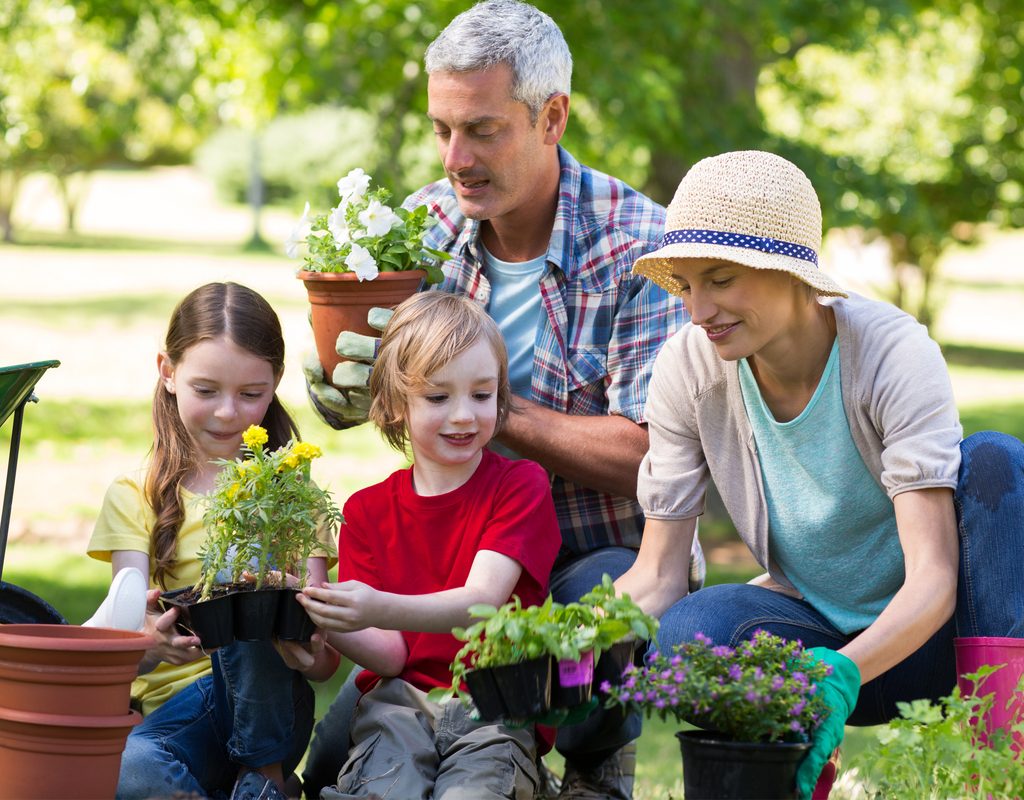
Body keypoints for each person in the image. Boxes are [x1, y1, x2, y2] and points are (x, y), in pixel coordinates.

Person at [303, 3, 704, 797]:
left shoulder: (642, 251)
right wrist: (350, 394)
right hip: (450, 558)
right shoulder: (422, 229)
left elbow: (655, 456)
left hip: (595, 551)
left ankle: (595, 765)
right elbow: (385, 386)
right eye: (442, 129)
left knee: (599, 608)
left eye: (482, 130)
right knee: (331, 765)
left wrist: (498, 409)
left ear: (551, 117)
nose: (456, 158)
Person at [614, 149, 1024, 799]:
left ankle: (1002, 766)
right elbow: (660, 572)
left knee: (998, 458)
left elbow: (935, 580)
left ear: (790, 270)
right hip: (812, 636)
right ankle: (793, 774)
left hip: (931, 641)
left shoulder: (892, 353)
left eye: (720, 278)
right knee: (690, 636)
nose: (698, 310)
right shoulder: (688, 369)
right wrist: (573, 636)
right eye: (687, 285)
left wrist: (841, 676)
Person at [279, 291, 562, 798]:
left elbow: (481, 605)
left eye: (482, 394)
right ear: (392, 405)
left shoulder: (520, 485)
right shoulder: (367, 512)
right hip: (397, 705)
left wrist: (375, 606)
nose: (463, 416)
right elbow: (388, 656)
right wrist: (315, 608)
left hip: (496, 706)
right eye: (437, 397)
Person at [86, 282, 338, 800]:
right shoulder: (136, 495)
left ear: (276, 384)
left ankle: (265, 778)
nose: (228, 413)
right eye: (206, 390)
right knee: (129, 772)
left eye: (251, 394)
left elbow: (324, 663)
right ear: (168, 371)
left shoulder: (292, 497)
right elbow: (124, 640)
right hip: (177, 724)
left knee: (244, 580)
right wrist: (149, 645)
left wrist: (298, 644)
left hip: (274, 714)